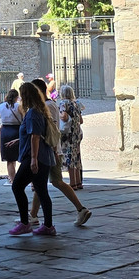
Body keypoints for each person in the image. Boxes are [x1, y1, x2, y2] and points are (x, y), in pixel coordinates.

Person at [27, 79, 91, 227]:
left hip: (49, 150)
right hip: (54, 148)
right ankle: (33, 215)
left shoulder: (46, 106)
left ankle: (79, 209)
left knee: (50, 182)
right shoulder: (52, 105)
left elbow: (44, 130)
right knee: (47, 182)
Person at [9, 81, 58, 236]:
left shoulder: (32, 113)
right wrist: (18, 141)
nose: (20, 99)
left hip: (35, 157)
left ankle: (25, 223)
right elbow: (34, 134)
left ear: (26, 96)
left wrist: (33, 160)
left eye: (21, 96)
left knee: (17, 186)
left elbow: (35, 137)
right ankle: (48, 226)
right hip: (43, 156)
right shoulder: (39, 111)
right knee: (42, 191)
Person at [0, 88, 21, 185]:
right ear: (16, 97)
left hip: (6, 132)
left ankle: (13, 180)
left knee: (10, 160)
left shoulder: (1, 106)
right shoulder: (19, 106)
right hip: (17, 131)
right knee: (22, 156)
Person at [58, 85, 86, 190]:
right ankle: (78, 182)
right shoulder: (77, 103)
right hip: (77, 133)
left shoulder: (63, 103)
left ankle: (72, 183)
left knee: (69, 156)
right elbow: (81, 120)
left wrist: (58, 114)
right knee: (77, 157)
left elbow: (64, 117)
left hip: (68, 133)